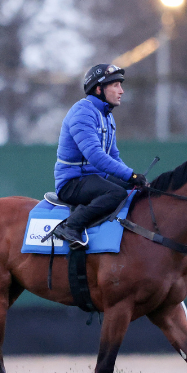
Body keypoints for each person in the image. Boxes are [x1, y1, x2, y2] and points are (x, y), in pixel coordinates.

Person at [51, 63, 148, 247]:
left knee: (135, 189)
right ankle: (70, 227)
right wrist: (131, 174)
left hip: (92, 179)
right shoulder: (82, 113)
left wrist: (132, 178)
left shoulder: (107, 116)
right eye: (116, 85)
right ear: (98, 89)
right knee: (116, 193)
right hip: (72, 183)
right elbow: (96, 156)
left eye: (121, 85)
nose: (122, 91)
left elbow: (114, 156)